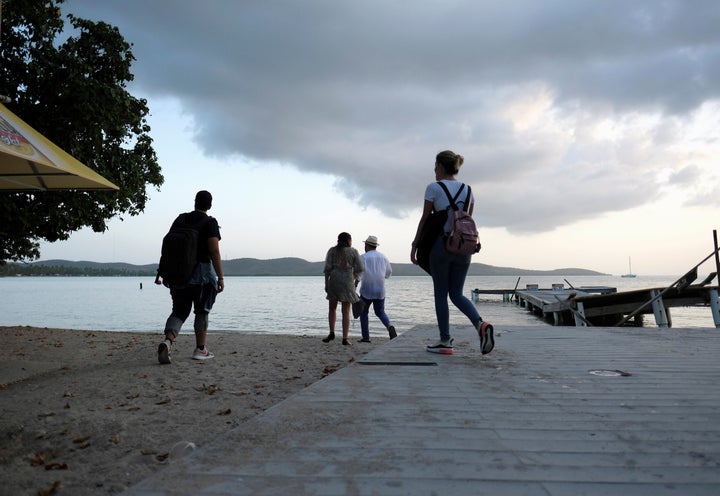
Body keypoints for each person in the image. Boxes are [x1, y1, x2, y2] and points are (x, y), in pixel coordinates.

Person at [410, 150, 494, 355]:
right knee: (456, 293)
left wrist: (415, 245)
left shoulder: (433, 188)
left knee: (441, 293)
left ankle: (445, 341)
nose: (434, 169)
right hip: (464, 247)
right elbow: (465, 220)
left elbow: (424, 219)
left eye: (435, 165)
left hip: (441, 245)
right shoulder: (468, 190)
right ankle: (480, 324)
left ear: (440, 165)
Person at [157, 190, 225, 364]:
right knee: (202, 311)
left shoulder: (181, 219)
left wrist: (164, 272)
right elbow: (214, 251)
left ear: (195, 202)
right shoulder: (210, 222)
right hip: (202, 275)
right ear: (210, 205)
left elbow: (168, 248)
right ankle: (200, 350)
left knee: (179, 311)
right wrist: (220, 277)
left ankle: (168, 341)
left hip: (178, 275)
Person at [323, 232, 364, 346]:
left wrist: (326, 284)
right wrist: (354, 276)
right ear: (349, 240)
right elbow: (360, 268)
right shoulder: (353, 251)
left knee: (332, 308)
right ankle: (345, 338)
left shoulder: (332, 251)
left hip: (334, 279)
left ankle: (331, 332)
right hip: (347, 280)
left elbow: (327, 269)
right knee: (345, 311)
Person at [358, 235, 397, 342]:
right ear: (375, 246)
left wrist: (355, 284)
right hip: (380, 290)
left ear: (366, 245)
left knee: (364, 313)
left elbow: (359, 273)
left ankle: (366, 337)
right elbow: (388, 273)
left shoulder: (363, 257)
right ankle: (389, 326)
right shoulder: (383, 257)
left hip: (367, 290)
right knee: (380, 312)